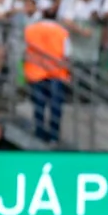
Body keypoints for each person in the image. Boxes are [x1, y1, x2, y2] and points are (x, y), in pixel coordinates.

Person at [24, 10, 70, 145]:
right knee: (55, 105)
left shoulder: (30, 30)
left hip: (36, 72)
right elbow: (67, 54)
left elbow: (25, 50)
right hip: (57, 73)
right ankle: (54, 137)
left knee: (39, 104)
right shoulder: (62, 32)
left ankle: (39, 133)